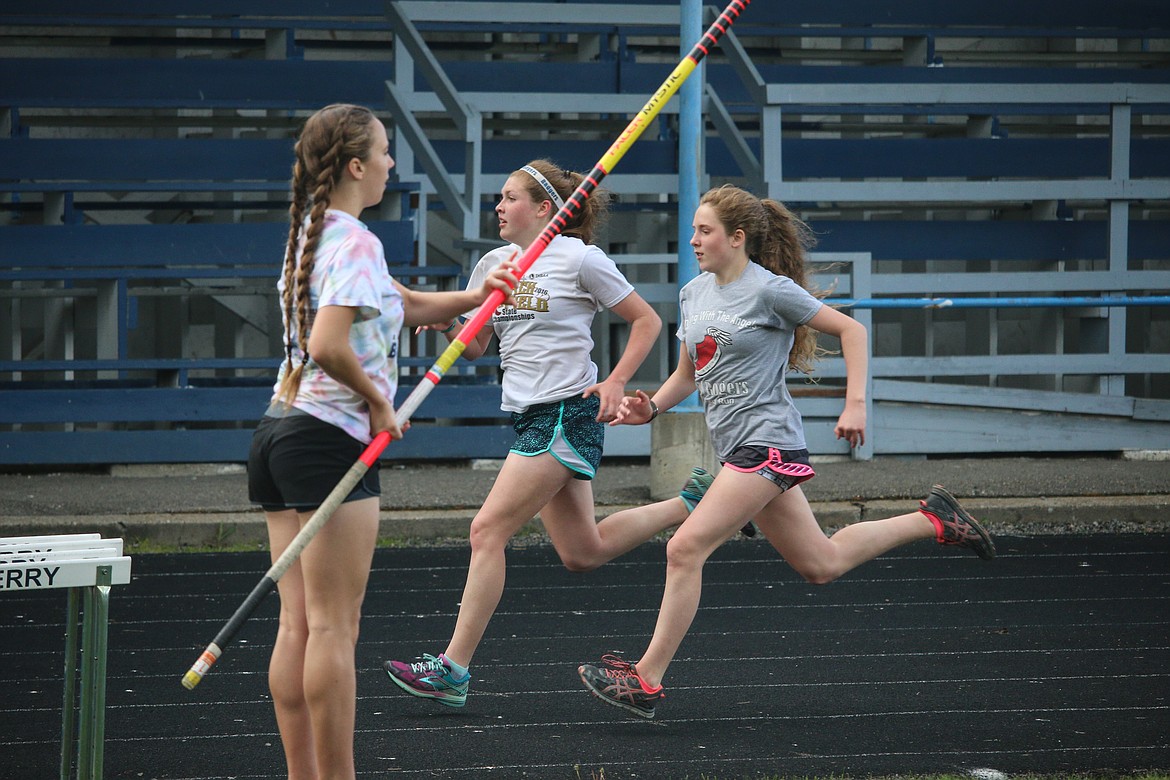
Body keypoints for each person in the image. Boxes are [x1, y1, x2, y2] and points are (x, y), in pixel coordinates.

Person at [577, 184, 996, 720]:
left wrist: (856, 404)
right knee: (821, 563)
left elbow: (851, 330)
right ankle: (934, 520)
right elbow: (689, 373)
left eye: (705, 231)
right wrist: (651, 408)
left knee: (683, 549)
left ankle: (646, 679)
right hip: (737, 450)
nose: (695, 240)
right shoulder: (693, 294)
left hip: (767, 443)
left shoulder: (771, 291)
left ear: (737, 237)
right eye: (695, 230)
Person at [246, 103, 518, 780]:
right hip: (328, 438)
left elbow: (398, 303)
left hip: (278, 434)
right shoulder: (353, 242)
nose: (394, 163)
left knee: (299, 625)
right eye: (386, 152)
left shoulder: (314, 233)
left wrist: (475, 295)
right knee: (334, 628)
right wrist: (378, 404)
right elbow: (329, 345)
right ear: (357, 166)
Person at [381, 159, 715, 708]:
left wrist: (616, 380)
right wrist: (447, 323)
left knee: (486, 530)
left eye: (510, 197)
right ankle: (691, 501)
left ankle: (452, 669)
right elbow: (481, 340)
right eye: (498, 197)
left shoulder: (580, 258)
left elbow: (647, 321)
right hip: (529, 414)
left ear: (544, 209)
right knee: (583, 550)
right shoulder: (494, 263)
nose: (499, 206)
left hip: (566, 412)